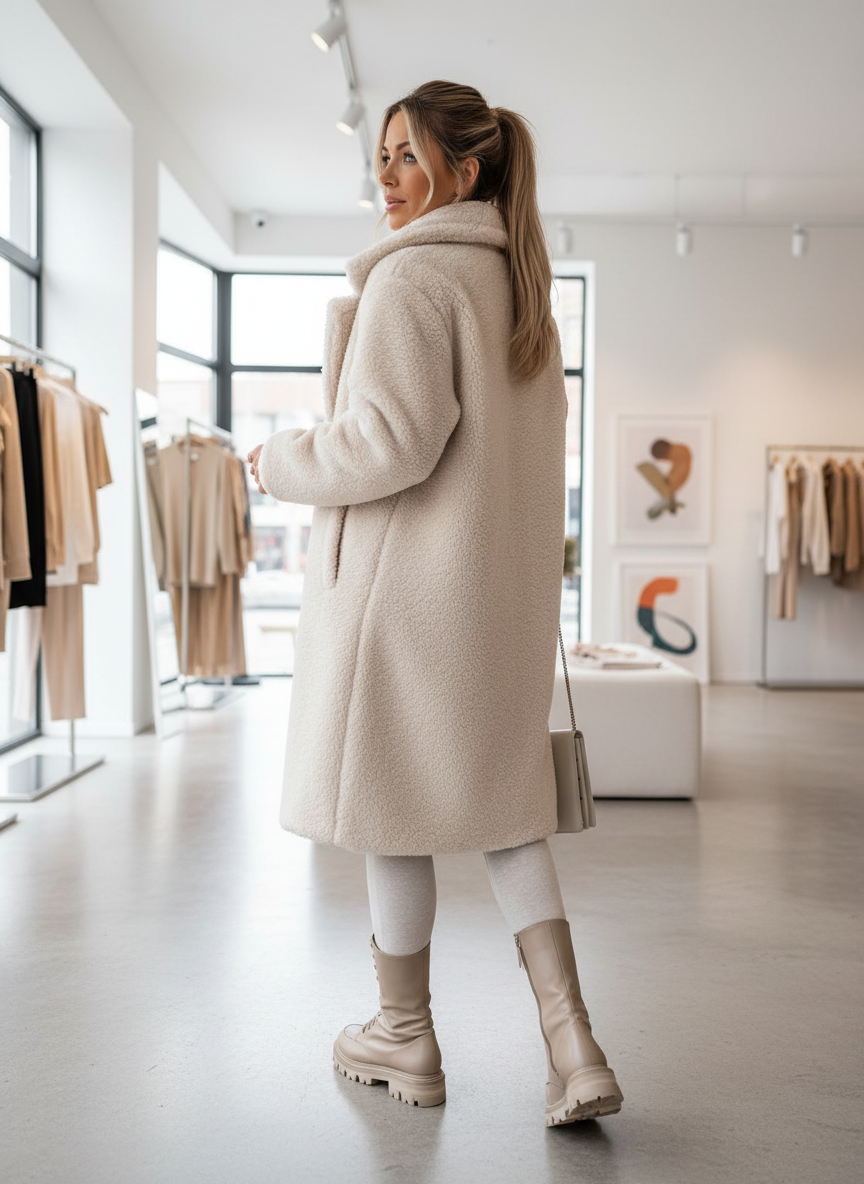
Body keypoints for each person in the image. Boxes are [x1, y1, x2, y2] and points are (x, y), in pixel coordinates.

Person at [247, 80, 622, 1127]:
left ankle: (403, 1031)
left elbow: (389, 441)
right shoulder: (527, 295)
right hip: (492, 607)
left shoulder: (412, 282)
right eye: (380, 158)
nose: (387, 179)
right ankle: (571, 1038)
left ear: (467, 170)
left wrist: (276, 459)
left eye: (407, 156)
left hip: (403, 600)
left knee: (388, 813)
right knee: (506, 815)